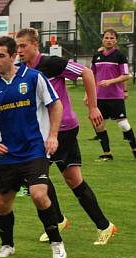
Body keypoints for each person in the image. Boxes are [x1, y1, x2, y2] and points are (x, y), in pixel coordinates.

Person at [16, 28, 118, 245]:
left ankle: (58, 219)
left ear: (35, 44)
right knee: (73, 179)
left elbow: (87, 73)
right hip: (45, 130)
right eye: (17, 47)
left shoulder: (52, 63)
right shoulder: (22, 70)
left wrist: (93, 107)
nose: (19, 50)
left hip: (63, 128)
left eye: (23, 45)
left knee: (36, 176)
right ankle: (104, 225)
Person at [0, 36, 66, 258]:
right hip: (8, 154)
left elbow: (56, 105)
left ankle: (56, 242)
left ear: (14, 56)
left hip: (35, 148)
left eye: (1, 56)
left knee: (38, 194)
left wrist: (53, 135)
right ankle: (7, 245)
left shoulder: (34, 78)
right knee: (3, 203)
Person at [91, 29, 136, 161]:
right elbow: (91, 75)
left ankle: (134, 150)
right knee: (98, 125)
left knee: (123, 124)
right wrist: (88, 95)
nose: (109, 40)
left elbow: (126, 75)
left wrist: (110, 82)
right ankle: (107, 153)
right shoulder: (96, 56)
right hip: (99, 97)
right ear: (103, 39)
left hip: (115, 96)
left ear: (116, 40)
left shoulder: (120, 56)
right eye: (106, 38)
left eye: (112, 38)